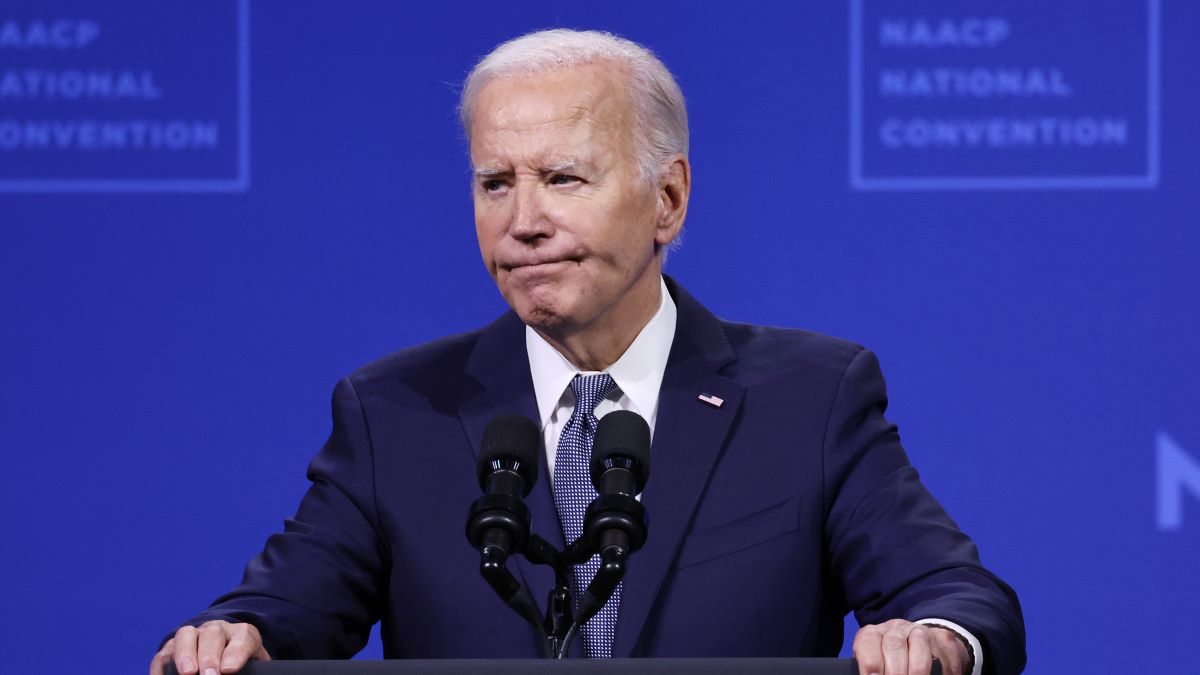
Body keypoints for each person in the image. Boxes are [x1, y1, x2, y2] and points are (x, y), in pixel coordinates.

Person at [151, 29, 1025, 675]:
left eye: (563, 177)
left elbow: (959, 596)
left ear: (668, 200)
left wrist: (936, 637)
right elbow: (283, 604)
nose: (523, 221)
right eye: (496, 183)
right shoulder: (394, 410)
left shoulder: (812, 397)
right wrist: (236, 635)